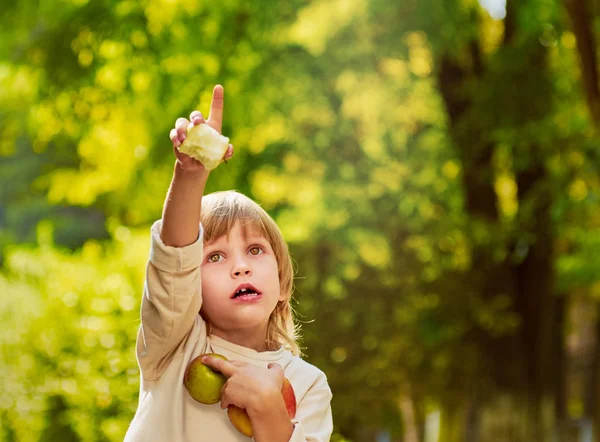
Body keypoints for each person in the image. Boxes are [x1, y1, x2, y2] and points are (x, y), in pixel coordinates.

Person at [124, 85, 333, 442]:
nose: (241, 268)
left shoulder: (308, 384)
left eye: (255, 250)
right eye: (215, 256)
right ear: (191, 283)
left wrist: (271, 414)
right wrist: (191, 174)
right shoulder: (175, 343)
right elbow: (173, 261)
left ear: (283, 284)